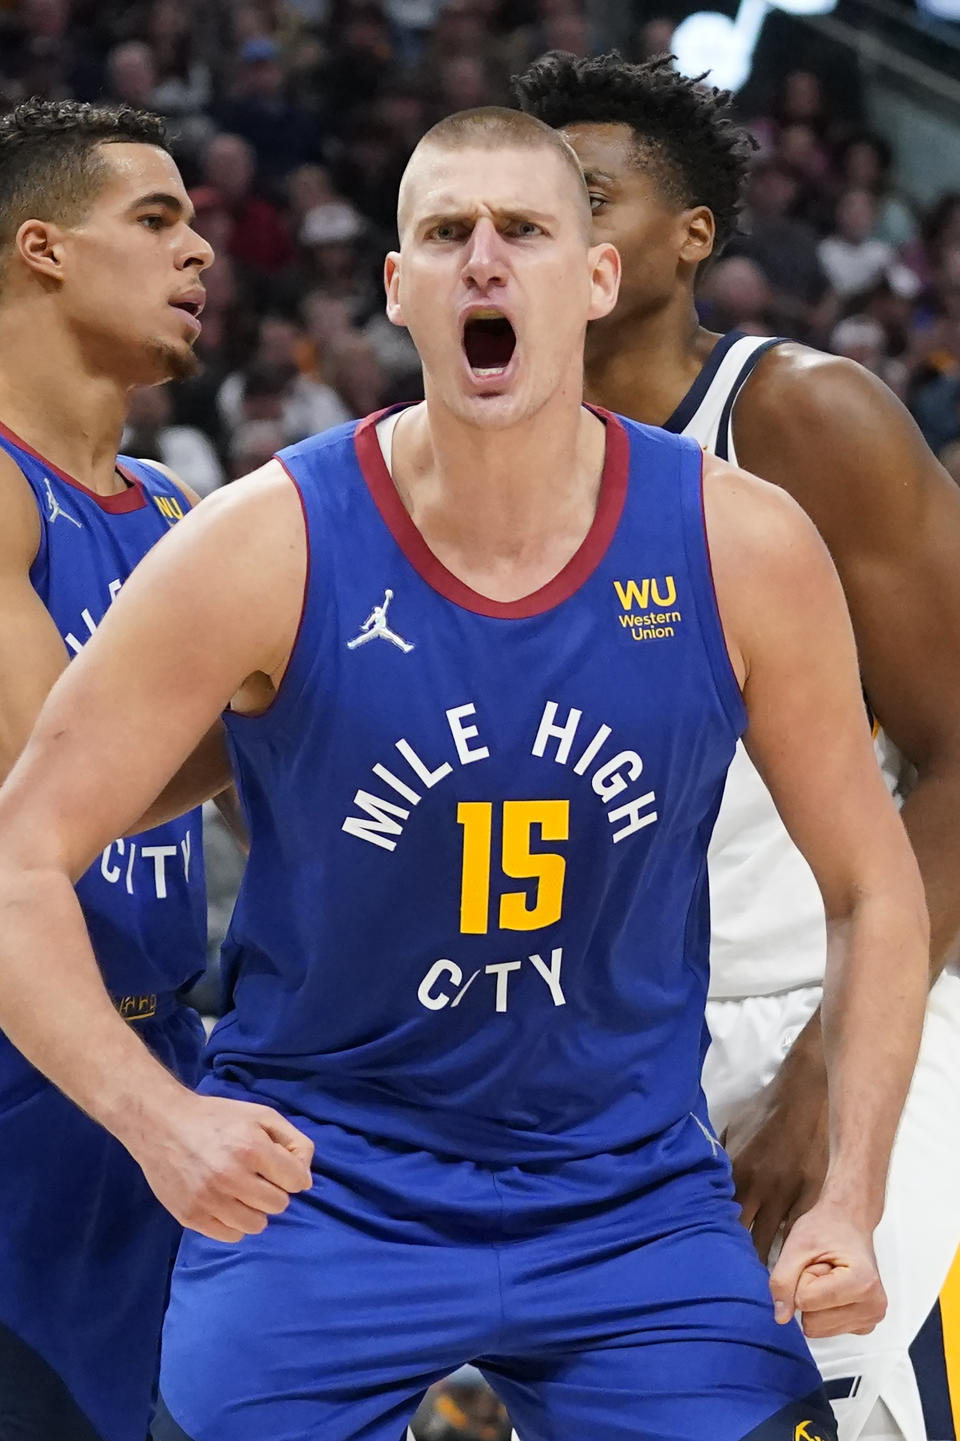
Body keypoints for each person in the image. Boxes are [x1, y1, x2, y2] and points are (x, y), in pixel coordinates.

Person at [0, 106, 930, 1441]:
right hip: (326, 1184)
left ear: (596, 277)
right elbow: (19, 854)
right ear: (399, 287)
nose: (485, 261)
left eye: (527, 231)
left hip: (627, 1191)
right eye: (446, 233)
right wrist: (160, 1121)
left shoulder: (744, 544)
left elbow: (873, 884)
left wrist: (850, 1190)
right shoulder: (263, 538)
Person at [513, 49, 960, 1441]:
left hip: (821, 1016)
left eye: (590, 197)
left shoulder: (795, 415)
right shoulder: (465, 466)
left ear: (692, 232)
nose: (548, 236)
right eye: (522, 212)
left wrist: (836, 1066)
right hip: (590, 1071)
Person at [0, 97, 223, 1441]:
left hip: (158, 1075)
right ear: (41, 248)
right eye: (156, 220)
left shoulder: (189, 512)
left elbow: (305, 827)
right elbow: (58, 784)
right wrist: (326, 708)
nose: (198, 251)